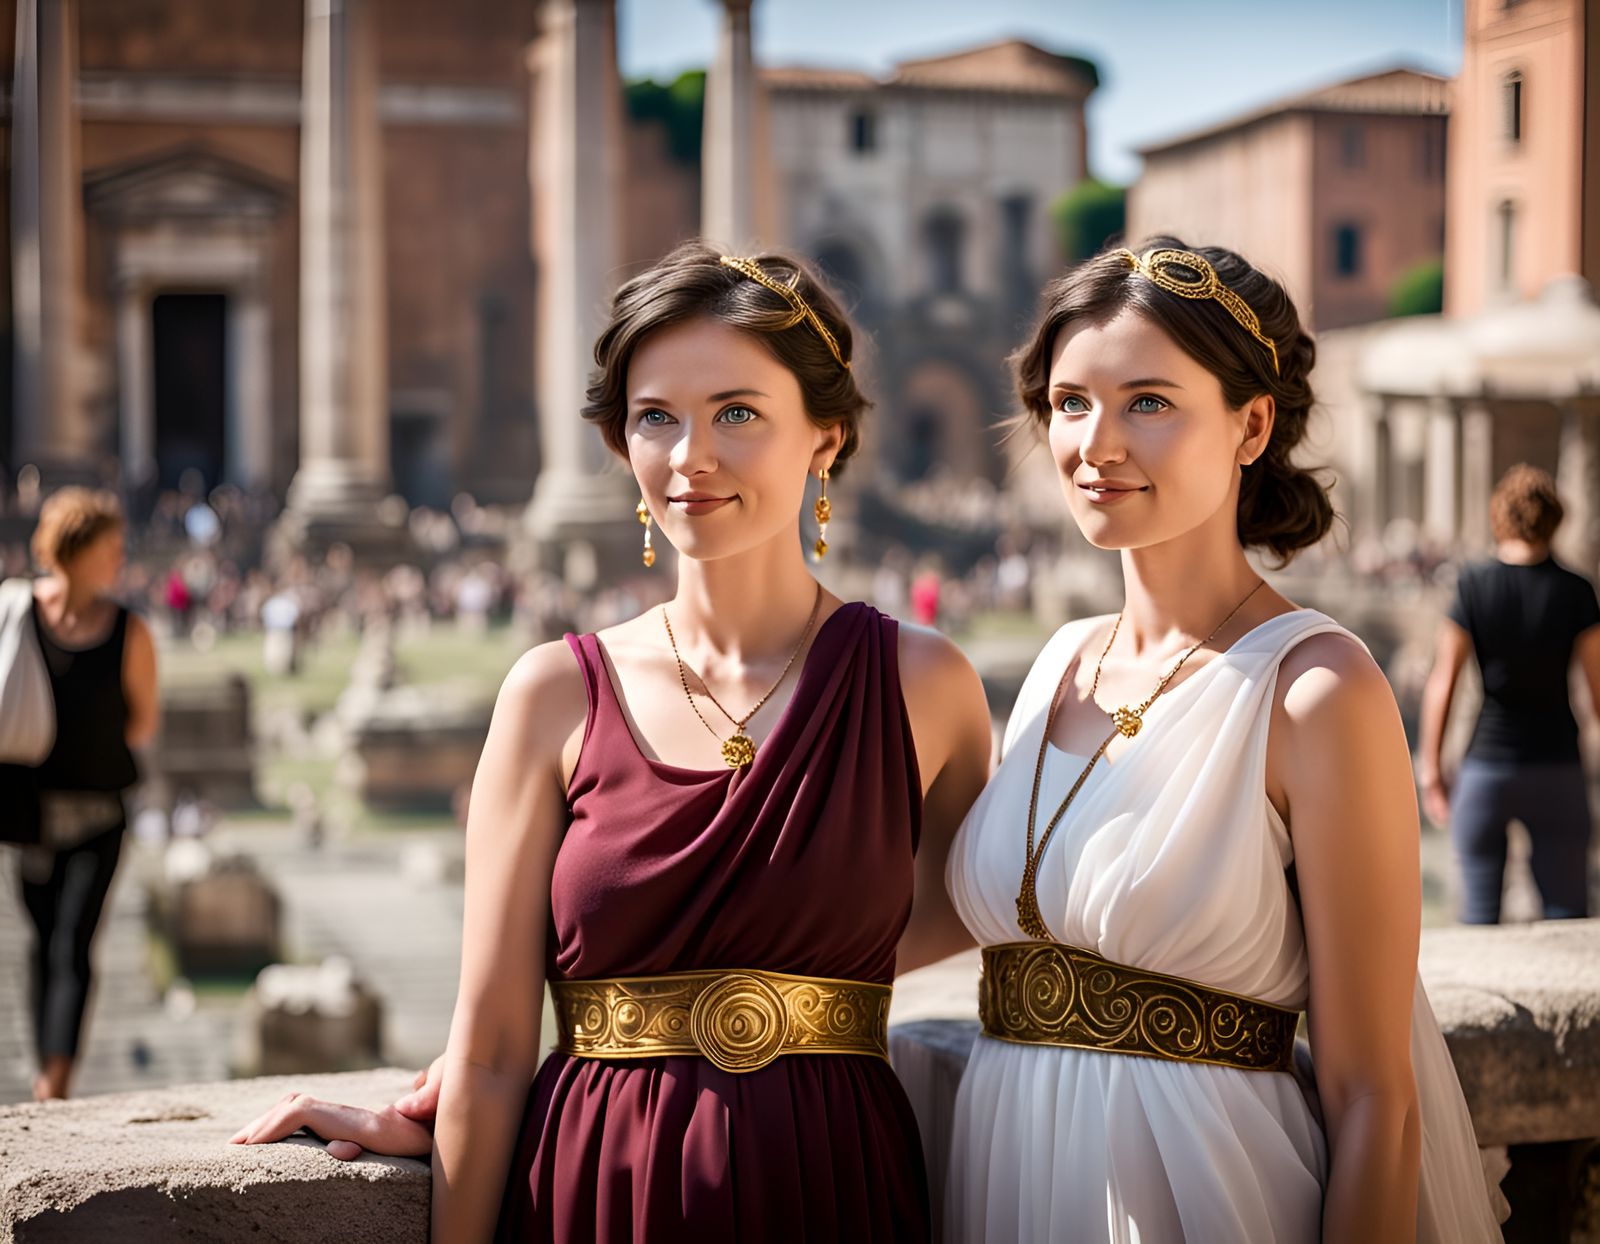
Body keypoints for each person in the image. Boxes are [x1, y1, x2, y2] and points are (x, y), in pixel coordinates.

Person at [231, 242, 992, 1241]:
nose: (690, 456)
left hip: (836, 1175)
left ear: (826, 435)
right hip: (596, 1181)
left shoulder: (925, 683)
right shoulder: (550, 694)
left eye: (737, 413)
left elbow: (981, 904)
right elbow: (493, 1048)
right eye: (655, 417)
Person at [944, 240, 1504, 1242]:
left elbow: (1376, 1098)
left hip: (1211, 1195)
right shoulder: (1057, 662)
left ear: (1252, 424)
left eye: (1148, 402)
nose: (1096, 444)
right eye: (1071, 402)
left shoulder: (1314, 689)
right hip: (1006, 1181)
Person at [5, 487, 159, 1100]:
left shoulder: (130, 630)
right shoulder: (15, 612)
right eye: (110, 548)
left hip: (99, 814)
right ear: (76, 550)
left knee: (73, 941)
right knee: (39, 941)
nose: (120, 559)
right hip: (27, 811)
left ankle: (55, 1079)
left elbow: (144, 722)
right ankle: (45, 1066)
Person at [1419, 464, 1600, 923]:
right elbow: (1598, 690)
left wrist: (1431, 771)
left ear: (1498, 517)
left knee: (1478, 924)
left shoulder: (1472, 585)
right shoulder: (1576, 591)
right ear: (1555, 519)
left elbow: (1444, 682)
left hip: (1487, 770)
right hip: (1558, 767)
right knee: (1568, 921)